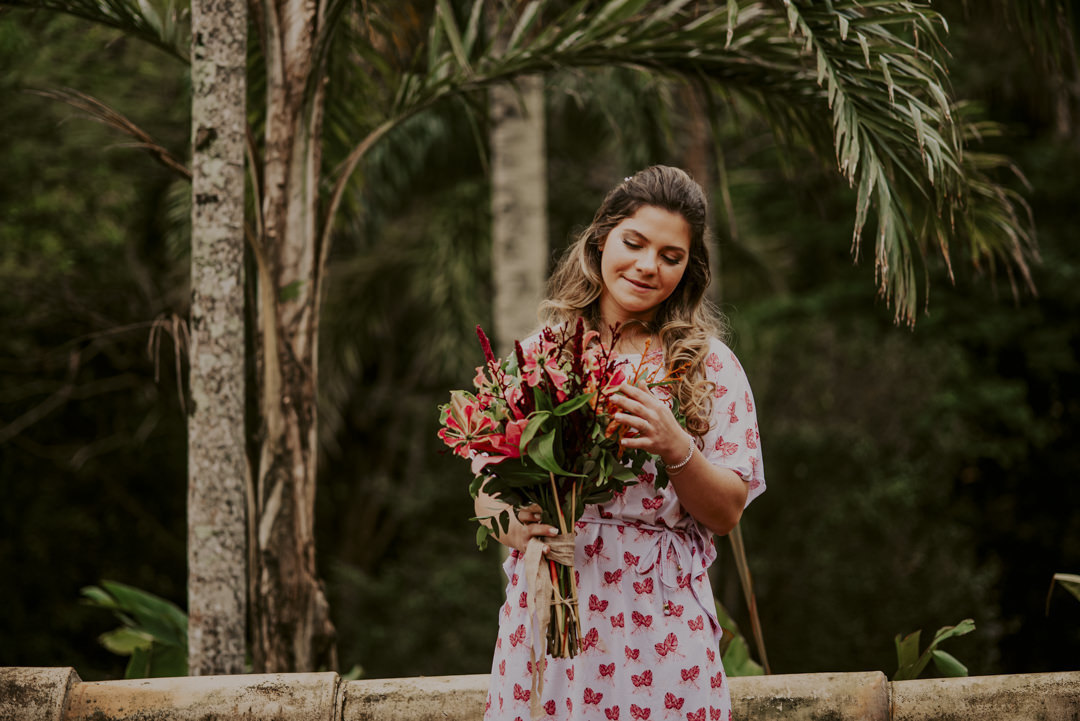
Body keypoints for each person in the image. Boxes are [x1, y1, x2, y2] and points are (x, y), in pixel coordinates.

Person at [476, 165, 766, 721]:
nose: (647, 266)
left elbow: (727, 511)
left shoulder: (707, 366)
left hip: (660, 628)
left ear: (688, 268)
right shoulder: (540, 355)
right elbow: (485, 494)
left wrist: (675, 445)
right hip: (551, 621)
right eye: (634, 243)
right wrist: (513, 525)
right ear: (601, 237)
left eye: (670, 256)